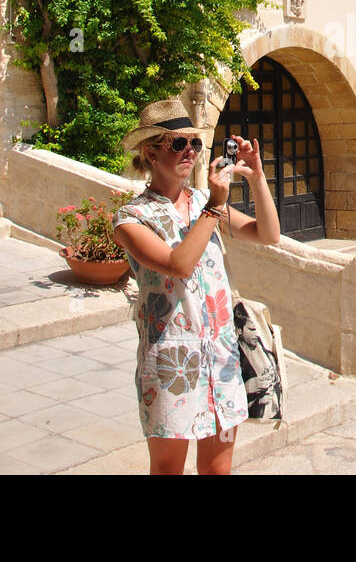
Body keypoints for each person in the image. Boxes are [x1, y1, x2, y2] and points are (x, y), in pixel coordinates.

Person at [112, 98, 281, 475]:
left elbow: (268, 234)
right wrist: (214, 207)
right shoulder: (131, 218)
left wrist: (256, 179)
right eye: (178, 144)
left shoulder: (205, 202)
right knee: (168, 469)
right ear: (151, 153)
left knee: (219, 469)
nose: (189, 151)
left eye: (195, 143)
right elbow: (178, 265)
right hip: (172, 364)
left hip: (221, 357)